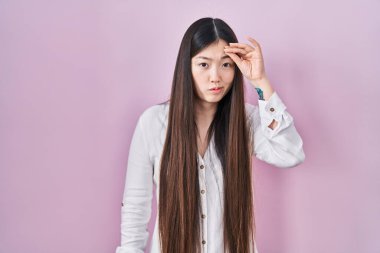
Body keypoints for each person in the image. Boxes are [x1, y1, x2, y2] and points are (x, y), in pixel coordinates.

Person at [115, 17, 305, 253]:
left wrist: (260, 81)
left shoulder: (246, 121)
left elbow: (291, 153)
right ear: (187, 67)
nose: (216, 76)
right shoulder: (153, 123)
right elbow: (135, 207)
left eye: (226, 65)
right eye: (204, 64)